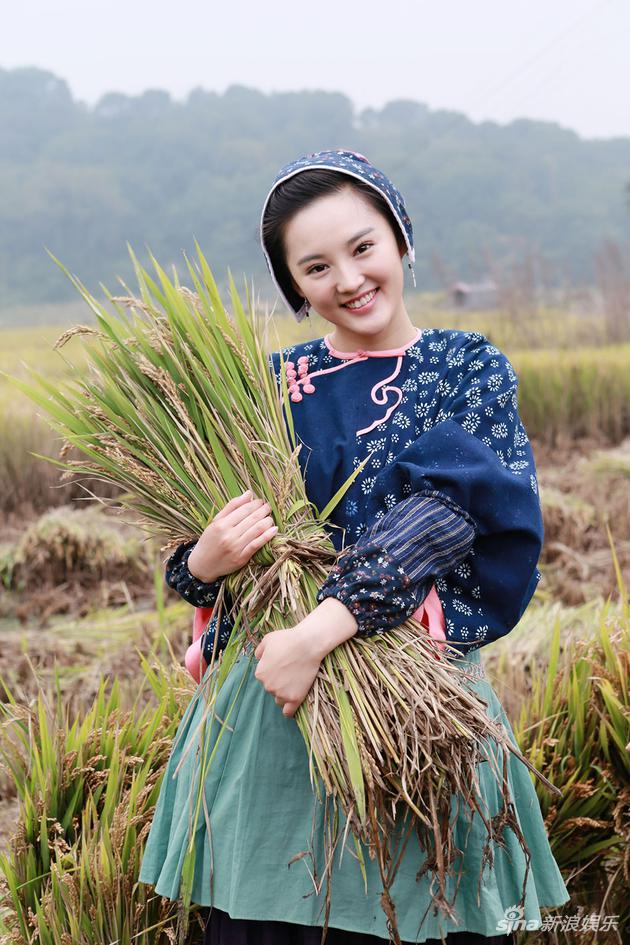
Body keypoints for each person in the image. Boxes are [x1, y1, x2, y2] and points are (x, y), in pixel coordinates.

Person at [138, 149, 569, 944]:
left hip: (413, 696)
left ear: (400, 238)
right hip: (271, 709)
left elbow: (443, 515)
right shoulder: (269, 384)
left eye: (363, 247)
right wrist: (207, 557)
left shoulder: (463, 366)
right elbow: (187, 558)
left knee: (424, 906)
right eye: (316, 266)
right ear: (294, 286)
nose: (348, 278)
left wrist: (315, 634)